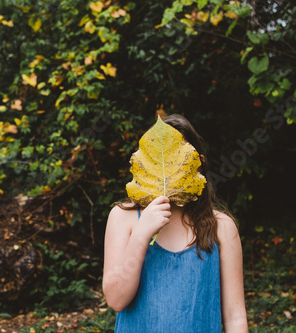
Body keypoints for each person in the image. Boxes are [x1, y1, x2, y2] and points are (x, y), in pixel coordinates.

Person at [102, 114, 248, 332]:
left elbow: (235, 317)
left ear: (199, 162)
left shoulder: (223, 228)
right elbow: (116, 299)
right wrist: (142, 234)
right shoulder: (123, 218)